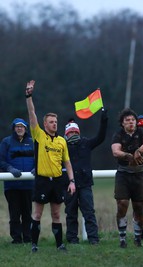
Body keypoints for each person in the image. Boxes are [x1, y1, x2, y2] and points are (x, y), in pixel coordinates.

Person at [25, 80, 76, 252]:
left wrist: (71, 181)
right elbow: (31, 113)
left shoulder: (62, 141)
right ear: (45, 124)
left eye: (56, 121)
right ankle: (34, 245)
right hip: (42, 180)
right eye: (51, 122)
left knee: (56, 214)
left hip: (58, 181)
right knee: (37, 214)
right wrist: (29, 96)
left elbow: (67, 162)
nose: (55, 124)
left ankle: (60, 245)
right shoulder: (38, 135)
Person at [63, 109, 108, 245]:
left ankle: (93, 239)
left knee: (89, 213)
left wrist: (104, 120)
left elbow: (100, 137)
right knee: (71, 214)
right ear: (66, 134)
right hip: (68, 185)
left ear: (79, 132)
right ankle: (72, 239)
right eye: (70, 132)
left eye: (75, 132)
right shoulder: (61, 146)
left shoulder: (86, 143)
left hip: (85, 184)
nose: (73, 134)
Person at [111, 108, 143, 248]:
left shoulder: (142, 132)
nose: (130, 122)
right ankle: (122, 238)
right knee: (122, 204)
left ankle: (137, 238)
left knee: (139, 206)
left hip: (139, 174)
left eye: (133, 120)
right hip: (123, 174)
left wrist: (138, 151)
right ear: (122, 123)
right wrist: (127, 155)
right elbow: (115, 151)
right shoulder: (118, 134)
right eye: (127, 120)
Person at [0, 118, 35, 244]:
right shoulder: (6, 142)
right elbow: (1, 161)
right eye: (17, 126)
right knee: (14, 214)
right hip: (12, 186)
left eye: (22, 126)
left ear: (25, 129)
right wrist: (9, 168)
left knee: (27, 213)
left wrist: (36, 168)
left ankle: (28, 237)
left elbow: (39, 159)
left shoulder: (32, 142)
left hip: (28, 185)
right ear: (14, 128)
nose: (20, 128)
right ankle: (16, 239)